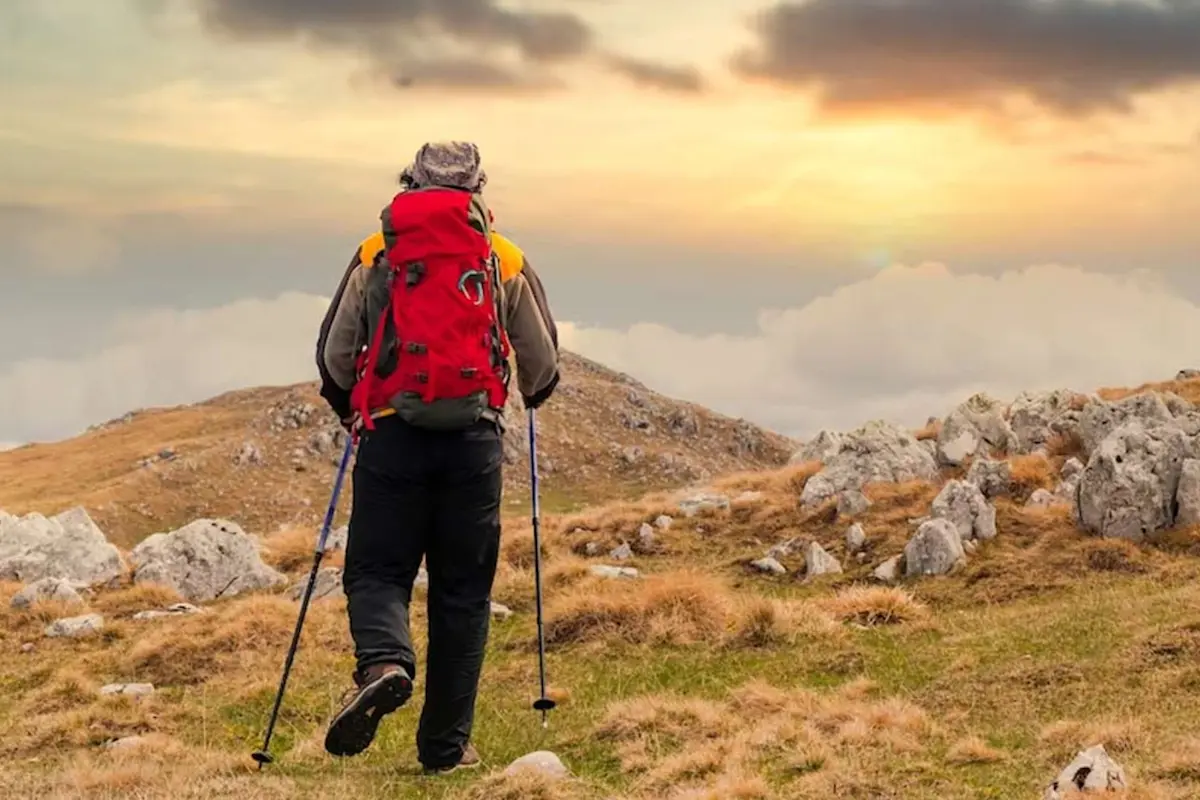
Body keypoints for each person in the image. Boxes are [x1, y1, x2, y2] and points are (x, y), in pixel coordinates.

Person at [313, 141, 560, 773]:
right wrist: (528, 394)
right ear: (478, 188)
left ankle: (387, 663)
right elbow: (543, 366)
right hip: (472, 445)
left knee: (375, 573)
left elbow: (335, 356)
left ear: (409, 184)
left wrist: (351, 408)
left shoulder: (378, 251)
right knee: (462, 595)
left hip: (392, 437)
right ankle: (445, 751)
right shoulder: (501, 256)